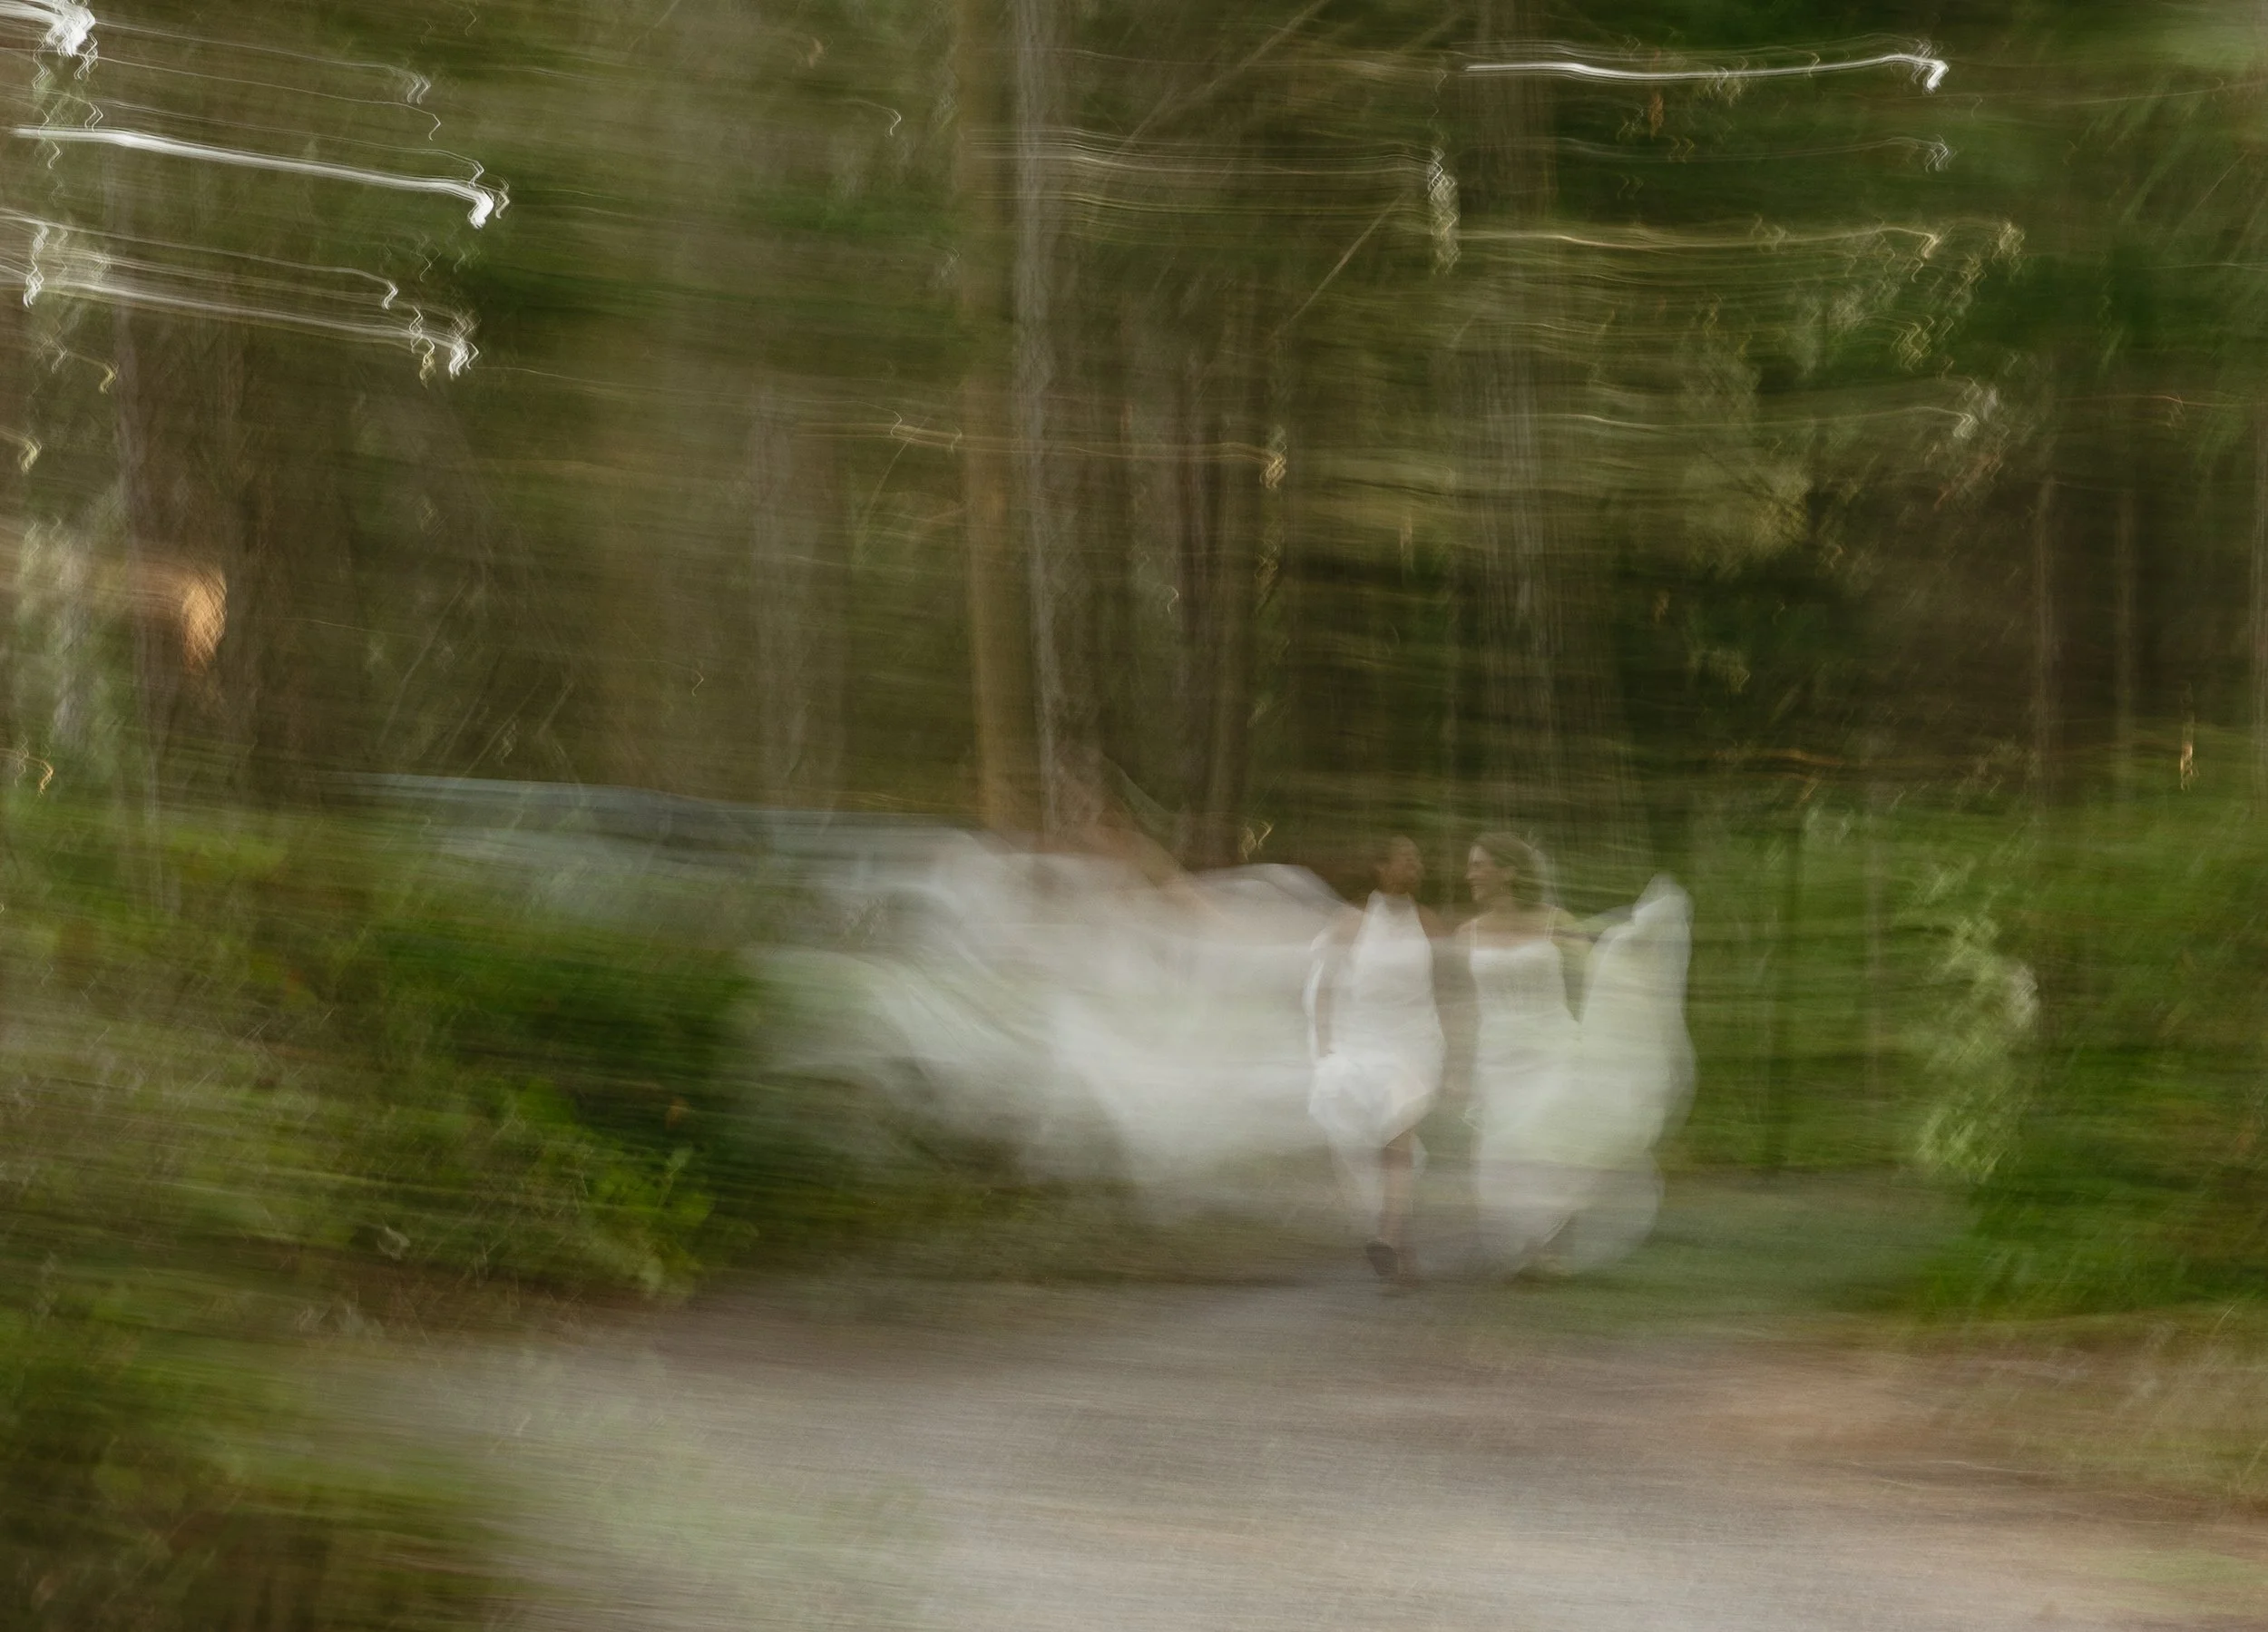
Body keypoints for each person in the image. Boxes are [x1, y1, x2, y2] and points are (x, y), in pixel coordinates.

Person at [1461, 832, 1695, 1275]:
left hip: (1550, 1043)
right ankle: (1525, 1244)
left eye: (1477, 864)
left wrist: (1633, 945)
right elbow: (1462, 1004)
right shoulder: (1466, 934)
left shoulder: (1554, 921)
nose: (1468, 874)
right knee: (1502, 1150)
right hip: (1496, 1056)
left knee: (1552, 1140)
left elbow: (1598, 969)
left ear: (1507, 872)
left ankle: (1555, 1249)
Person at [1305, 835, 1449, 1286]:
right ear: (1381, 867)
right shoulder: (1352, 922)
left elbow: (1451, 982)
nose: (1416, 867)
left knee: (1399, 1133)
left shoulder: (1428, 922)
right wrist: (1326, 1044)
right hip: (1363, 1041)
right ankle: (1401, 1254)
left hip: (1415, 1043)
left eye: (1418, 859)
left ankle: (1387, 1239)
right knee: (1381, 1147)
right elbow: (1324, 983)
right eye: (1406, 859)